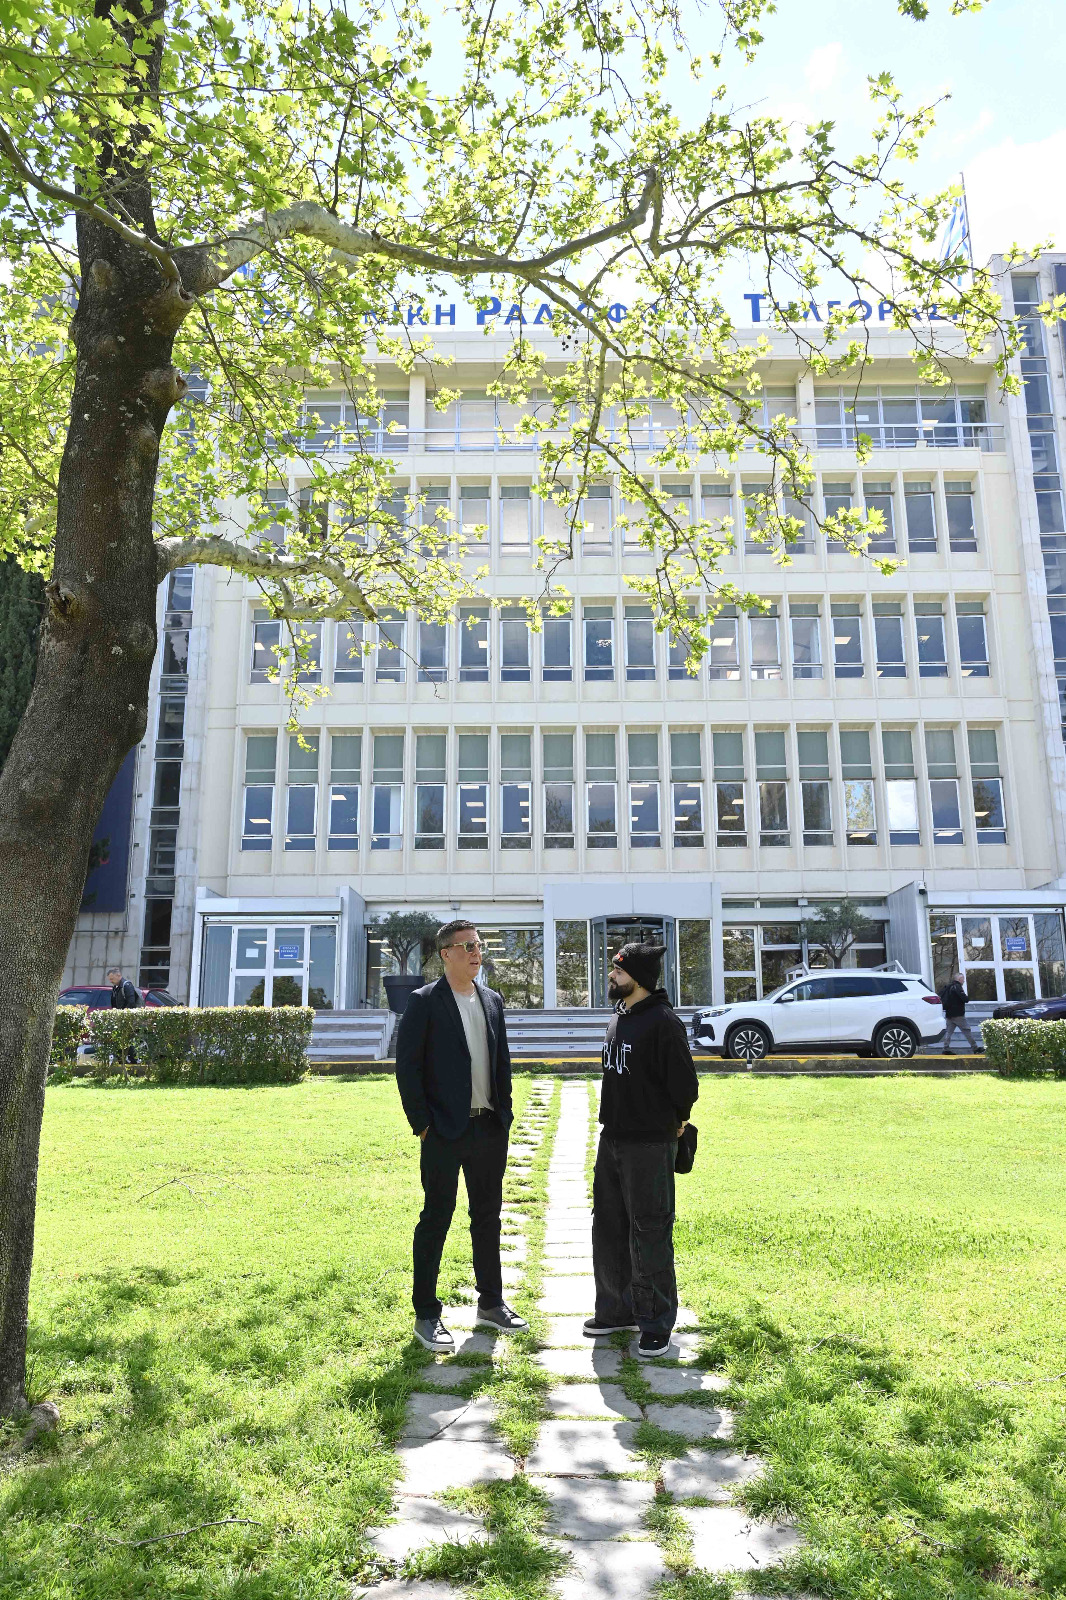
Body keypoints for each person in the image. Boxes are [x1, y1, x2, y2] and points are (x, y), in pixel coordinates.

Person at [395, 918, 528, 1352]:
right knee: (436, 1217)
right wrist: (422, 1124)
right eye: (467, 946)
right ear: (446, 954)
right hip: (443, 1131)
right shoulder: (424, 1002)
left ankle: (490, 1302)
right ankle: (426, 1314)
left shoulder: (492, 1000)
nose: (476, 952)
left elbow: (502, 1061)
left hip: (488, 1127)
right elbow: (407, 1067)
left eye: (479, 945)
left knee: (488, 1217)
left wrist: (504, 1114)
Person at [584, 941, 700, 1359]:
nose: (612, 975)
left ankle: (655, 1323)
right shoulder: (621, 1015)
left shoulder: (663, 1022)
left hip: (649, 1144)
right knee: (608, 1227)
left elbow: (685, 1085)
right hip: (612, 1139)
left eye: (619, 970)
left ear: (640, 978)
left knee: (649, 1232)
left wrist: (679, 1120)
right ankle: (616, 1311)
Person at [938, 969, 980, 1053]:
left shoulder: (948, 986)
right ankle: (975, 1048)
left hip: (949, 1014)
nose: (964, 981)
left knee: (949, 1032)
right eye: (963, 979)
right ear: (959, 979)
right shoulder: (957, 986)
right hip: (958, 1014)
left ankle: (945, 1049)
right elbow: (965, 999)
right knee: (967, 1030)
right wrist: (966, 997)